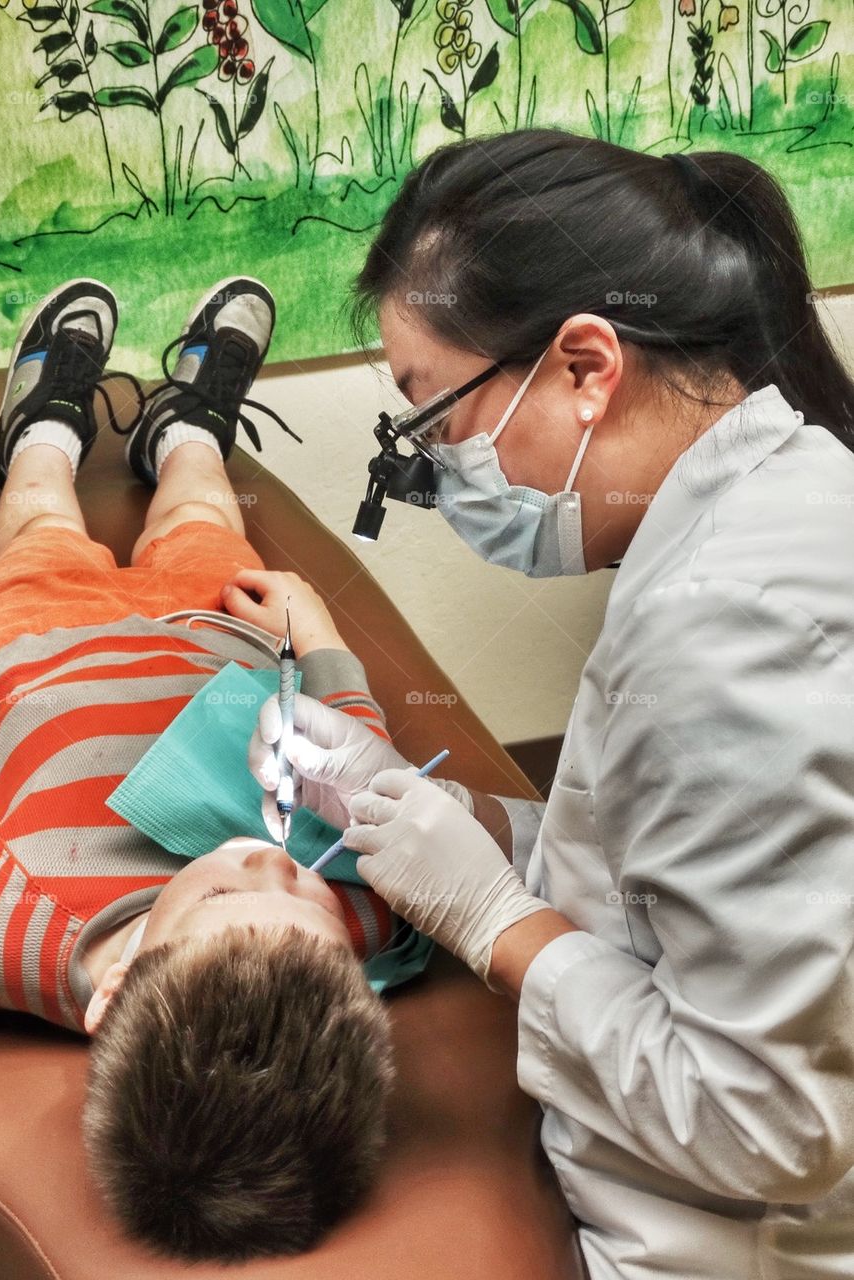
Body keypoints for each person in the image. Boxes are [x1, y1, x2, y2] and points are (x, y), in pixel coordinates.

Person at [250, 130, 854, 1280]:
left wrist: (495, 920)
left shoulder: (732, 632)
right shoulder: (770, 499)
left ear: (584, 368)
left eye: (435, 423)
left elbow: (767, 1125)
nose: (431, 473)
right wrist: (459, 817)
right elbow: (672, 868)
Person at [0, 278, 397, 1263]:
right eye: (310, 904)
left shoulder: (5, 937)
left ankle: (43, 430)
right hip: (213, 629)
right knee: (202, 517)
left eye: (228, 885)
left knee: (41, 527)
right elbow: (351, 750)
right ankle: (188, 428)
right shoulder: (358, 913)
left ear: (118, 986)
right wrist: (311, 629)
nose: (272, 864)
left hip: (36, 644)